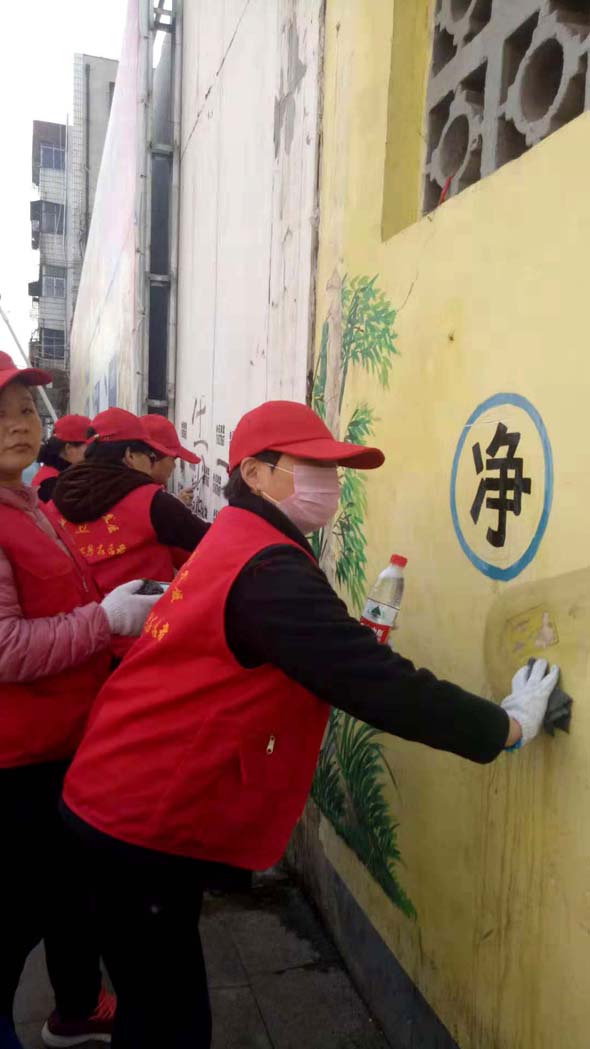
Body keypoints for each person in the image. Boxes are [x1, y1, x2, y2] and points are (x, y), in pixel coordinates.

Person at [60, 400, 559, 1049]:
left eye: (335, 468)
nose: (331, 481)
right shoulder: (267, 567)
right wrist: (504, 726)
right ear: (255, 472)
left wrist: (340, 642)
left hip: (113, 798)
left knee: (155, 1005)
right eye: (313, 465)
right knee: (169, 1023)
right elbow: (374, 682)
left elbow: (313, 650)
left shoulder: (241, 538)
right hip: (134, 823)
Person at [0, 353, 162, 1049]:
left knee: (69, 893)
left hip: (60, 747)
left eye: (24, 411)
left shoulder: (33, 504)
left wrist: (121, 603)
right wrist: (105, 620)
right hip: (16, 764)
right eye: (0, 416)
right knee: (17, 914)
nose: (18, 425)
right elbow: (6, 648)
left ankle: (73, 1008)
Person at [49, 408, 208, 657]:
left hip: (84, 642)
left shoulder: (54, 504)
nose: (153, 462)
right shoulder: (152, 502)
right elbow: (212, 543)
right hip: (144, 643)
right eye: (148, 455)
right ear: (131, 455)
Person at [31, 414, 90, 503]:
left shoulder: (58, 474)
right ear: (69, 448)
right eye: (90, 446)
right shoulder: (51, 484)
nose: (94, 450)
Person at [141, 414, 200, 491]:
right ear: (152, 457)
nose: (174, 466)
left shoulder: (132, 490)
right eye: (172, 459)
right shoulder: (147, 496)